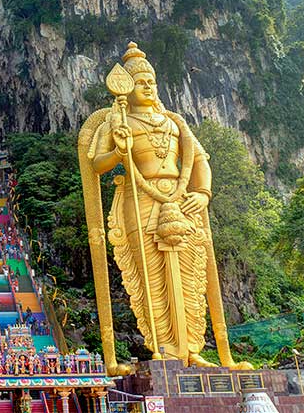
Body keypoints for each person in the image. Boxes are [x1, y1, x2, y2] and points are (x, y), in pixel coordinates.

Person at [80, 41, 252, 371]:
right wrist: (119, 151)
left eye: (151, 81)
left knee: (191, 275)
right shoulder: (117, 122)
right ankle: (165, 349)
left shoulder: (174, 122)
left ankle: (193, 350)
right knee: (151, 279)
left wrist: (203, 193)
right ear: (126, 88)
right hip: (140, 200)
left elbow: (199, 160)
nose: (148, 87)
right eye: (140, 82)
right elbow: (97, 164)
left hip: (181, 199)